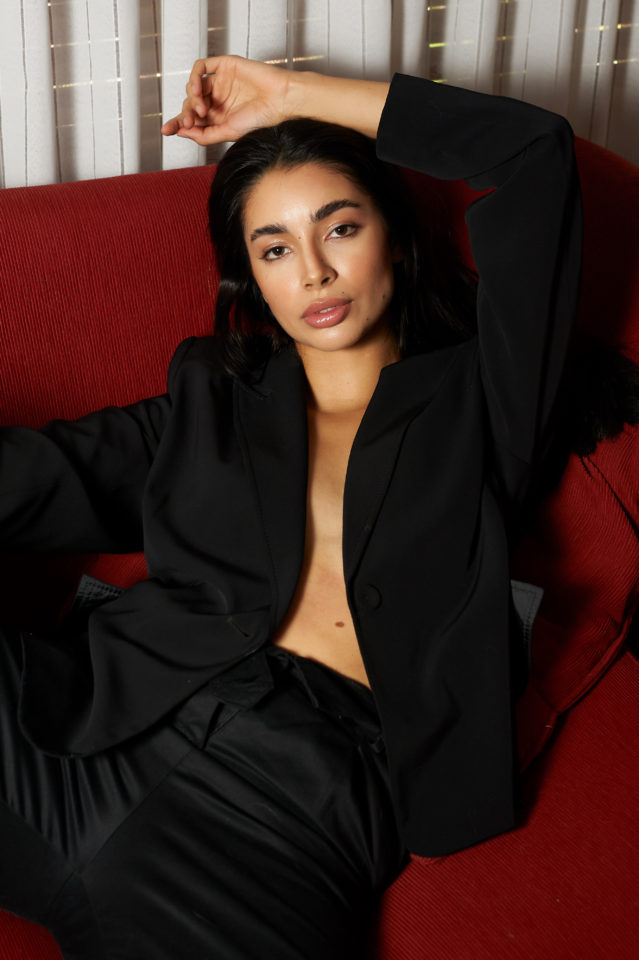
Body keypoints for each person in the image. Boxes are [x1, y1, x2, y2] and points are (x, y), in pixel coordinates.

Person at [0, 55, 585, 959]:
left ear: (395, 238)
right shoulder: (210, 399)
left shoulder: (485, 403)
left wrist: (289, 98)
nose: (312, 272)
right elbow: (38, 479)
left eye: (339, 227)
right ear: (252, 278)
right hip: (86, 729)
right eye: (274, 248)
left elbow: (534, 155)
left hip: (279, 817)